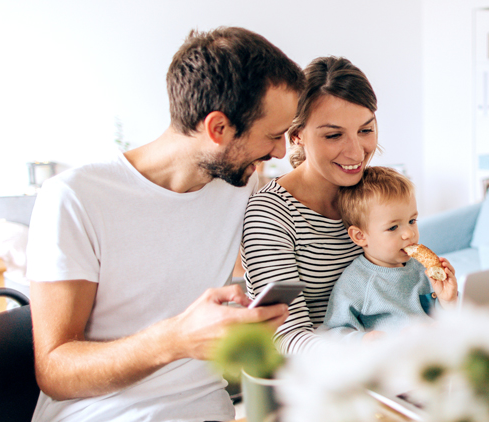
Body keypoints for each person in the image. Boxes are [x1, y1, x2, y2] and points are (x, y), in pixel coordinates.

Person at [26, 27, 304, 422]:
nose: (279, 151)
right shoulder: (76, 197)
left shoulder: (241, 186)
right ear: (218, 129)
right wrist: (175, 339)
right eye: (273, 136)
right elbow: (54, 371)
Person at [242, 56, 377, 354]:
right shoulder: (271, 214)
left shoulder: (376, 193)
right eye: (333, 135)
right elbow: (287, 337)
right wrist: (365, 350)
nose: (357, 152)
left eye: (365, 130)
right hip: (317, 379)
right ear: (297, 135)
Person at [322, 166, 459, 341]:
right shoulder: (356, 282)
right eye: (393, 227)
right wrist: (363, 340)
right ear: (360, 236)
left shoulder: (422, 269)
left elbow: (447, 321)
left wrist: (448, 301)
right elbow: (333, 333)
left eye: (412, 221)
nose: (409, 233)